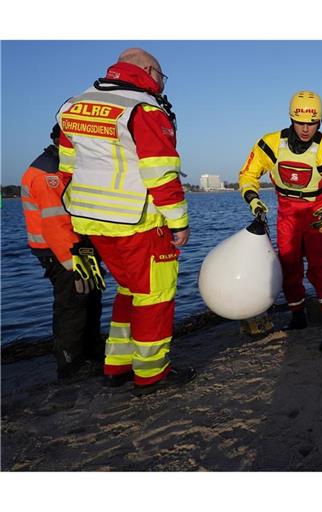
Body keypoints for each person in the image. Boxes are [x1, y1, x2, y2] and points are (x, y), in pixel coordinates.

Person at [56, 48, 195, 395]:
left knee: (130, 290)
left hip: (91, 221)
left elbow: (67, 167)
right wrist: (178, 223)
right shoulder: (142, 109)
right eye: (162, 76)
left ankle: (116, 365)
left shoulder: (73, 106)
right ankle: (151, 373)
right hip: (137, 221)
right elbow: (160, 172)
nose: (162, 84)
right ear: (148, 70)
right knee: (154, 296)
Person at [239, 90, 322, 352]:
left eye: (311, 123)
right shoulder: (270, 144)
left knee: (320, 265)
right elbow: (248, 175)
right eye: (300, 122)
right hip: (287, 212)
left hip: (318, 211)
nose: (305, 129)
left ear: (320, 121)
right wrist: (252, 198)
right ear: (291, 118)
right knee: (289, 264)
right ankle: (298, 315)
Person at [21, 124, 104, 380]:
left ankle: (92, 352)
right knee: (72, 304)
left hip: (79, 246)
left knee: (91, 299)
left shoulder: (64, 167)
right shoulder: (48, 173)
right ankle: (71, 363)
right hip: (62, 251)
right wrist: (72, 262)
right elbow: (55, 223)